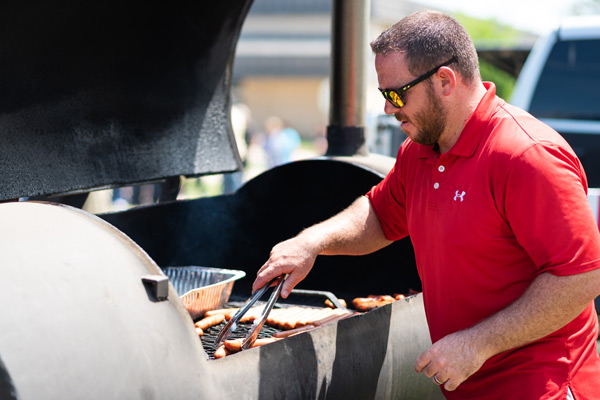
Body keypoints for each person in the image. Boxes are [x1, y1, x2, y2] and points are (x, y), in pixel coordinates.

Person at [252, 10, 600, 400]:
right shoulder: (417, 153)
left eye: (395, 94)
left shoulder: (526, 156)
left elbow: (582, 277)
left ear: (444, 81)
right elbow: (380, 217)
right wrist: (312, 242)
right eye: (384, 95)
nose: (387, 108)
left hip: (544, 387)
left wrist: (476, 344)